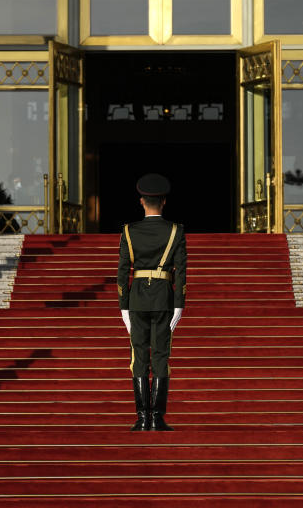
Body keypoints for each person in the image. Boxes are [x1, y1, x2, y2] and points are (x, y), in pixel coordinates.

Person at [117, 173, 187, 432]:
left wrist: (123, 306)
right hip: (163, 298)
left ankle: (142, 418)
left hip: (136, 300)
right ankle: (156, 417)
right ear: (164, 202)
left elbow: (123, 271)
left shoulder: (128, 231)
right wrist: (179, 304)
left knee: (138, 357)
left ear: (141, 201)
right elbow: (181, 271)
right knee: (160, 356)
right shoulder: (175, 231)